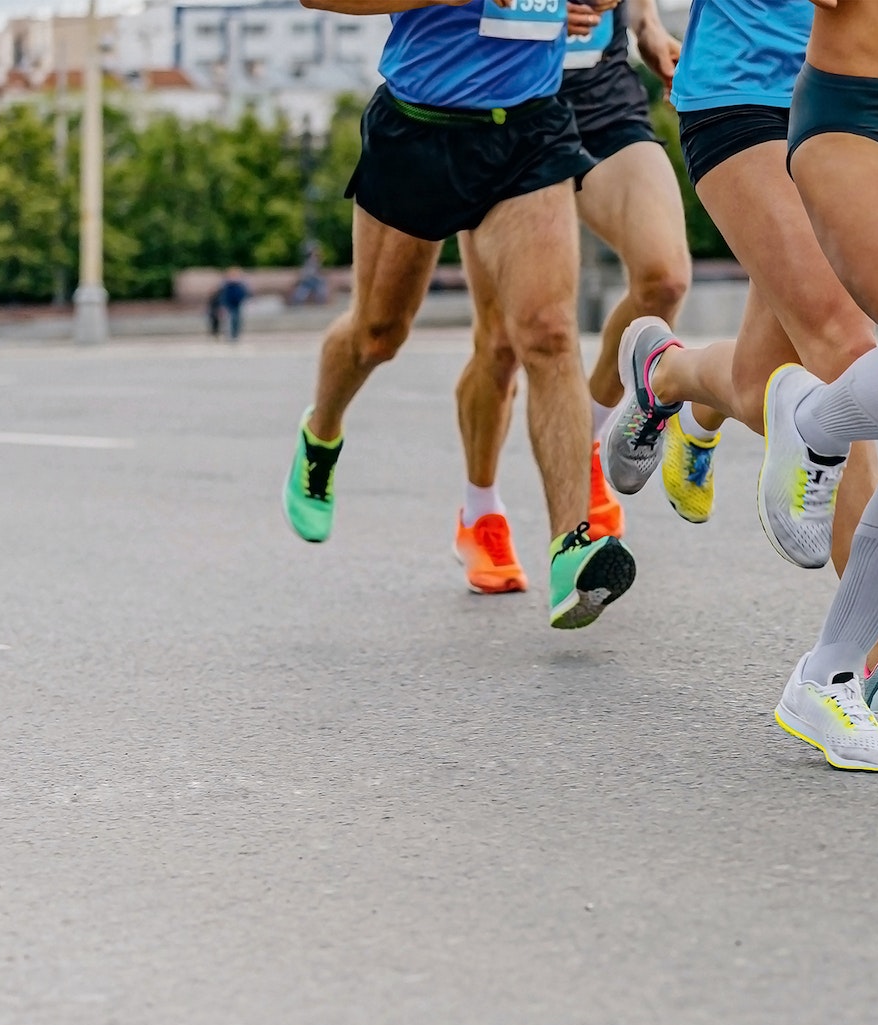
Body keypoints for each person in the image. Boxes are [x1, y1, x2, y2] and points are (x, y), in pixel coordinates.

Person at [591, 0, 878, 740]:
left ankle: (668, 376)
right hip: (754, 92)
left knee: (776, 383)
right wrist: (642, 19)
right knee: (843, 347)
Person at [281, 0, 634, 632]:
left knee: (549, 335)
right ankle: (321, 433)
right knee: (377, 334)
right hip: (420, 127)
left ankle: (571, 548)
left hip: (529, 130)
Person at [450, 0, 694, 594]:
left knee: (664, 277)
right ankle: (479, 512)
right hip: (502, 95)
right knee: (501, 343)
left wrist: (647, 25)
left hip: (599, 93)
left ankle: (584, 435)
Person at [213, 267, 249, 340]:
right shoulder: (226, 286)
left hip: (237, 304)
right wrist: (222, 305)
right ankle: (230, 334)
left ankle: (235, 334)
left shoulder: (240, 285)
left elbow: (244, 294)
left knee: (236, 319)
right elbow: (222, 296)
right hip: (228, 305)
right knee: (229, 319)